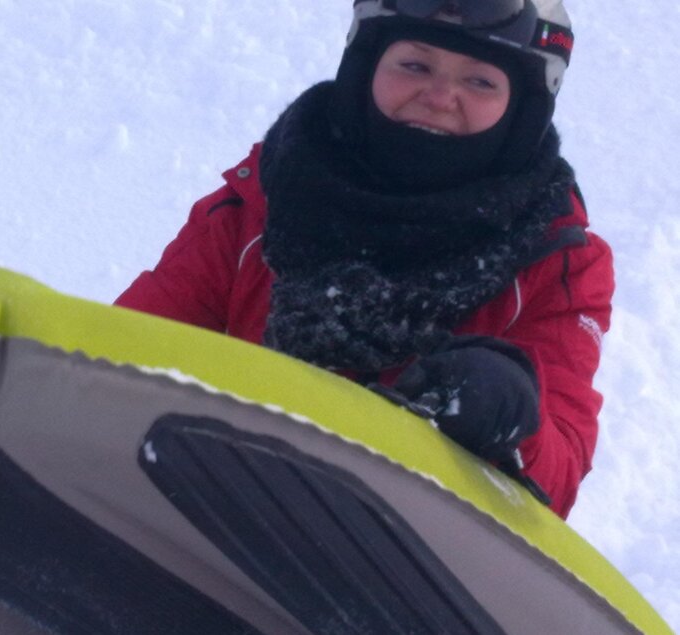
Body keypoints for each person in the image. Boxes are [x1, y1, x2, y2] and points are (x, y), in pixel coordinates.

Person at [115, 0, 612, 519]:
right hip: (209, 508)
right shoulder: (269, 195)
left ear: (522, 107)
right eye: (415, 66)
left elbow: (558, 481)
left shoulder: (557, 260)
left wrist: (513, 417)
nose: (441, 97)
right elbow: (125, 353)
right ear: (365, 65)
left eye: (481, 82)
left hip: (400, 559)